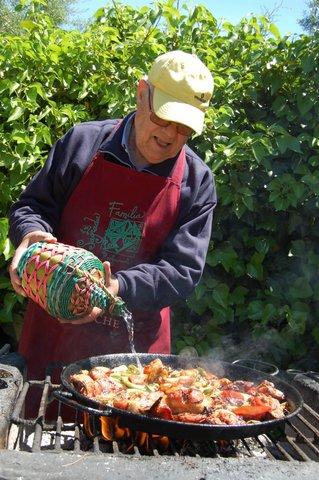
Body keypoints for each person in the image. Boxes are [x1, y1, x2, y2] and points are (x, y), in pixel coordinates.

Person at [9, 50, 217, 381]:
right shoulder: (82, 143)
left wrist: (117, 287)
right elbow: (32, 206)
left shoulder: (197, 180)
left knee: (129, 426)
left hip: (135, 359)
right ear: (140, 94)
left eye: (183, 128)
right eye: (163, 117)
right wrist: (31, 233)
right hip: (54, 338)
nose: (168, 136)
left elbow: (182, 270)